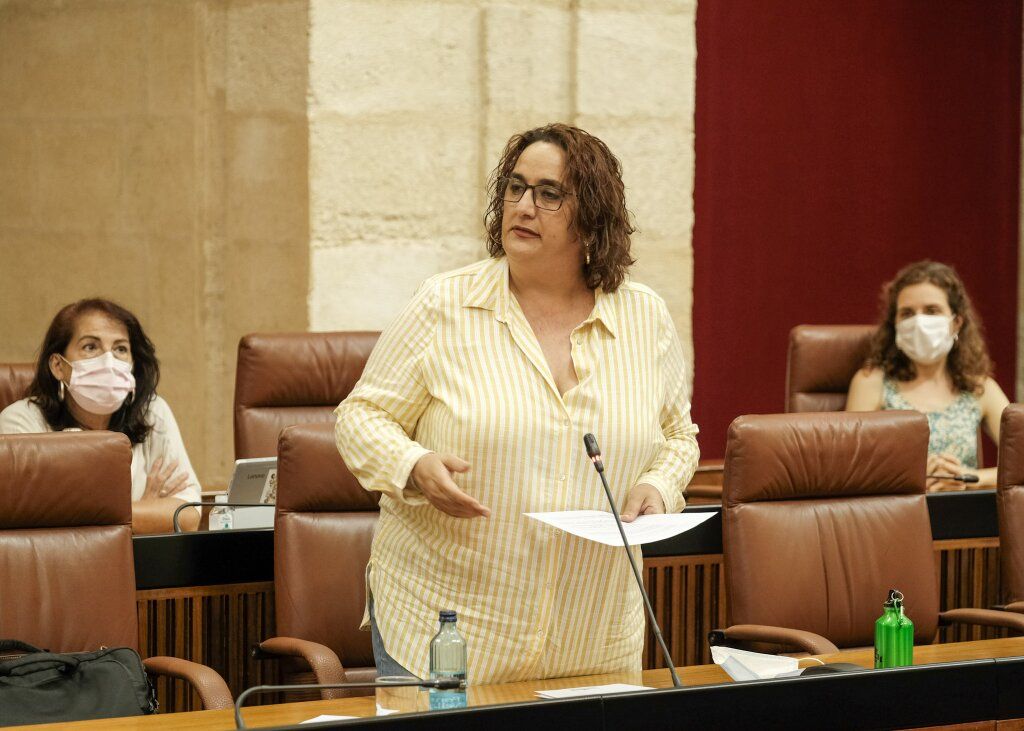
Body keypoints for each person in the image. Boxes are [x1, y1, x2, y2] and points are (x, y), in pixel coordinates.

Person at [335, 123, 700, 684]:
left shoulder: (644, 317)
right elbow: (361, 417)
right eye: (514, 187)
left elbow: (678, 438)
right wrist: (414, 466)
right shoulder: (445, 304)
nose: (524, 206)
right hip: (450, 632)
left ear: (593, 216)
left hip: (592, 639)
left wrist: (659, 486)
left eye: (549, 193)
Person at [0, 298, 202, 532]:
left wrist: (106, 515)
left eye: (120, 349)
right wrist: (143, 511)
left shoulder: (152, 413)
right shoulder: (21, 423)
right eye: (91, 347)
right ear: (58, 365)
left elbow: (188, 516)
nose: (109, 361)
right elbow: (37, 526)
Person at [846, 261, 1009, 489]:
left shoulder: (979, 387)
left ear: (956, 323)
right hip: (893, 517)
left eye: (932, 311)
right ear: (895, 325)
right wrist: (910, 478)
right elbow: (849, 467)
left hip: (968, 517)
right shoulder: (871, 382)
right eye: (907, 313)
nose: (919, 322)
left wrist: (968, 479)